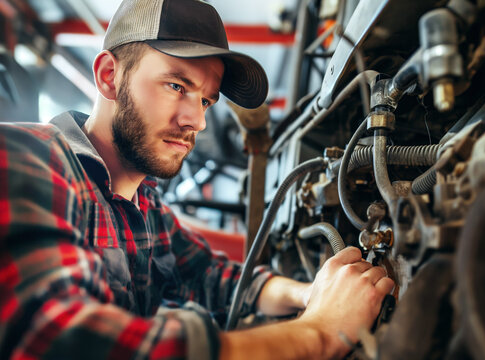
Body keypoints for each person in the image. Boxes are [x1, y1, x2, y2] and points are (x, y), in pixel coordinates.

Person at [0, 0, 394, 359]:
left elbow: (211, 276)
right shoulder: (25, 158)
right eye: (177, 85)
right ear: (108, 77)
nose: (198, 121)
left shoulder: (145, 206)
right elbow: (66, 342)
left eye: (205, 99)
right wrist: (323, 331)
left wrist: (312, 294)